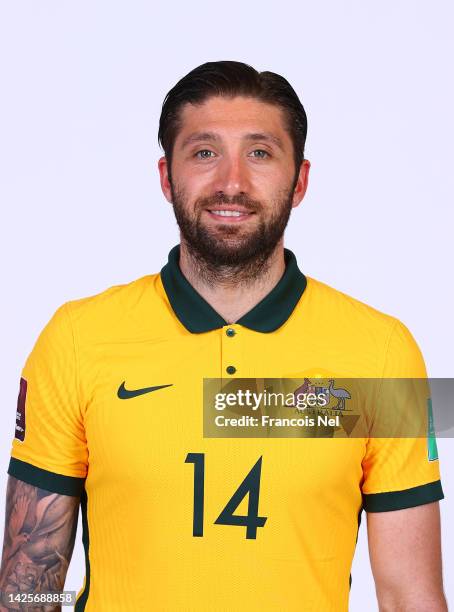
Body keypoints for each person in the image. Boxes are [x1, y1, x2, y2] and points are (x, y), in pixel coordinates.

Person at [0, 61, 447, 611]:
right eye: (204, 152)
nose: (231, 182)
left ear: (300, 180)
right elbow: (25, 588)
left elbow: (410, 596)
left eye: (259, 153)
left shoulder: (382, 353)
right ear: (167, 177)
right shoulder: (75, 338)